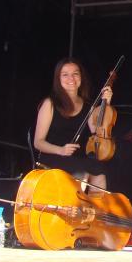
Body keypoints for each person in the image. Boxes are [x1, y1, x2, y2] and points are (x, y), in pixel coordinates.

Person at [33, 58, 113, 190]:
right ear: (58, 79)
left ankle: (94, 204)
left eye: (75, 74)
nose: (71, 78)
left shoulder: (88, 106)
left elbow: (97, 131)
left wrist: (106, 103)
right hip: (53, 156)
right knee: (82, 171)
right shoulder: (50, 104)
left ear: (81, 77)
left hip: (78, 158)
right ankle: (75, 202)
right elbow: (38, 142)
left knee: (100, 170)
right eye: (65, 74)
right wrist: (61, 150)